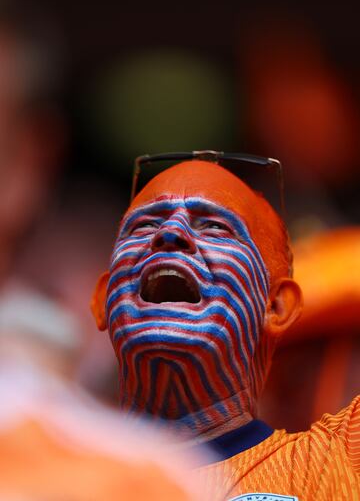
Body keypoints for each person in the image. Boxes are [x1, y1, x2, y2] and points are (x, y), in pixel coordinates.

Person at [92, 157, 360, 500]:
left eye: (215, 227)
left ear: (276, 306)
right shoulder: (34, 460)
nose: (170, 233)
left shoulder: (337, 460)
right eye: (144, 226)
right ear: (102, 300)